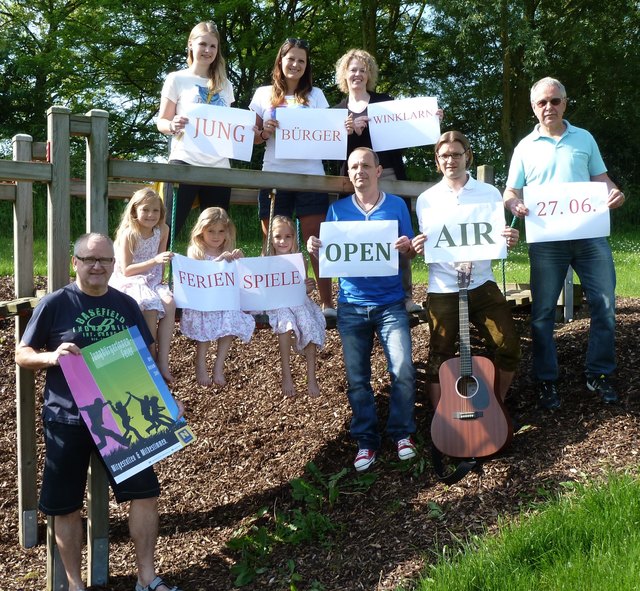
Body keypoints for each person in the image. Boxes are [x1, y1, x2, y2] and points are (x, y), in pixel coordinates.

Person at [15, 233, 183, 591]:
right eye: (89, 259)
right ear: (74, 262)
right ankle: (76, 586)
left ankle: (147, 579)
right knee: (66, 506)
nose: (97, 266)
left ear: (113, 264)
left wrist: (166, 401)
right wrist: (52, 356)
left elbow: (144, 359)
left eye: (105, 260)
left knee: (145, 493)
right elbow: (22, 353)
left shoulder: (125, 304)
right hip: (67, 417)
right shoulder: (55, 303)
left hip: (122, 415)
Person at [503, 77, 626, 409]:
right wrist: (514, 204)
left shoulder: (584, 138)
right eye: (542, 102)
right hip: (547, 241)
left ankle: (599, 373)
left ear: (565, 103)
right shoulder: (524, 147)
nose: (549, 107)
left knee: (605, 305)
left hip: (589, 236)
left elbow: (601, 179)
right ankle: (546, 380)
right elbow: (510, 191)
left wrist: (615, 192)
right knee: (542, 312)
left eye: (555, 101)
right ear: (533, 107)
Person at [307, 147, 417, 472]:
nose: (360, 171)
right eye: (354, 166)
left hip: (390, 303)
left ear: (378, 170)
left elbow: (411, 252)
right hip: (352, 305)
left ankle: (402, 434)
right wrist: (315, 249)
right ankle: (366, 441)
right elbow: (329, 258)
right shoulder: (337, 210)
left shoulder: (396, 206)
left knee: (403, 370)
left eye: (366, 165)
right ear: (349, 173)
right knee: (357, 379)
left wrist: (407, 248)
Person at [411, 131, 521, 409]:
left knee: (508, 347)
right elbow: (429, 242)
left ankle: (495, 407)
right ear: (437, 160)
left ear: (467, 156)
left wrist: (508, 239)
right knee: (439, 354)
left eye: (456, 154)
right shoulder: (427, 199)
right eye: (444, 156)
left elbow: (496, 236)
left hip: (482, 283)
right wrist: (419, 246)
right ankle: (440, 419)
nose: (450, 160)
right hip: (443, 287)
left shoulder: (489, 193)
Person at [333, 49, 444, 313]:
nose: (357, 74)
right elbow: (329, 153)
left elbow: (404, 137)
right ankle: (353, 296)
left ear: (369, 74)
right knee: (354, 236)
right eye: (353, 69)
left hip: (389, 174)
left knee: (398, 233)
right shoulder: (334, 112)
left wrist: (431, 120)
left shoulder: (385, 103)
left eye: (362, 69)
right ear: (344, 74)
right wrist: (347, 133)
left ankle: (405, 296)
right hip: (353, 180)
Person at [249, 38, 335, 318]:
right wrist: (265, 132)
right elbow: (252, 138)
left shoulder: (316, 96)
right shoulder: (263, 94)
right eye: (291, 59)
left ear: (306, 65)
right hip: (274, 175)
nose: (296, 64)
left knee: (315, 242)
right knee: (274, 241)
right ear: (280, 60)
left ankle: (326, 304)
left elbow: (329, 134)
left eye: (301, 60)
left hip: (311, 177)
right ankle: (273, 301)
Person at [157, 21, 235, 237]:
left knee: (216, 234)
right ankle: (157, 262)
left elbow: (229, 124)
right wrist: (172, 125)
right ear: (190, 44)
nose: (208, 50)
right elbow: (161, 121)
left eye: (213, 46)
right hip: (184, 162)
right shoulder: (176, 78)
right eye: (203, 44)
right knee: (168, 229)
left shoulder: (226, 84)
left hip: (219, 168)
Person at [180, 207, 255, 387]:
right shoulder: (195, 251)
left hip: (223, 300)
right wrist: (218, 261)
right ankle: (200, 363)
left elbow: (243, 278)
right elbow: (199, 272)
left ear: (227, 232)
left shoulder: (228, 251)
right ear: (201, 231)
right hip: (202, 301)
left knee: (231, 317)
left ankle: (219, 365)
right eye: (211, 231)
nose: (216, 236)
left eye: (221, 231)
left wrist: (240, 261)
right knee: (206, 318)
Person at [110, 187, 176, 384]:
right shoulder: (129, 234)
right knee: (149, 305)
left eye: (155, 210)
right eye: (145, 210)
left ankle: (163, 360)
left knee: (170, 303)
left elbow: (160, 264)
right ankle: (150, 356)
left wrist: (159, 273)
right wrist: (155, 261)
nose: (150, 215)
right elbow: (126, 270)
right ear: (134, 211)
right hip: (130, 278)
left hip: (152, 278)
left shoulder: (163, 230)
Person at [265, 215, 326, 398]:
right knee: (286, 325)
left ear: (294, 238)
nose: (283, 241)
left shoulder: (300, 260)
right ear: (271, 239)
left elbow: (302, 288)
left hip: (298, 301)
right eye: (278, 237)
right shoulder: (266, 261)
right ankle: (286, 374)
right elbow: (262, 288)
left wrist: (307, 287)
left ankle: (311, 377)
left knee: (309, 324)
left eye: (288, 237)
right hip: (278, 304)